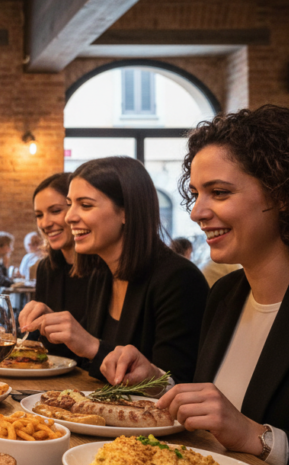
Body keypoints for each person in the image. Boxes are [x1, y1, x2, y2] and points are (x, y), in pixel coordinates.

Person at [98, 105, 289, 465]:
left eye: (219, 193)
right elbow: (219, 412)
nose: (197, 212)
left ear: (286, 195)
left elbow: (246, 429)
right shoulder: (226, 293)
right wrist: (156, 383)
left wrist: (261, 438)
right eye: (197, 193)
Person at [19, 157, 208, 383]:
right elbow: (90, 366)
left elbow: (176, 384)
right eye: (70, 205)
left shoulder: (178, 279)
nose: (69, 217)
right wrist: (56, 330)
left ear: (127, 211)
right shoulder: (102, 274)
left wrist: (90, 345)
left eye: (85, 205)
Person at [31, 172, 89, 359]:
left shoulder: (104, 269)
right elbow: (39, 342)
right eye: (39, 215)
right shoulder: (46, 268)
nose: (45, 223)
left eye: (55, 211)